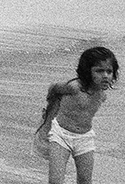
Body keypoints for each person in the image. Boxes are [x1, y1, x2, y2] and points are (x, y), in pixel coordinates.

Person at [35, 47, 118, 184]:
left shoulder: (102, 95)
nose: (105, 75)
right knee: (55, 181)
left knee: (85, 180)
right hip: (61, 135)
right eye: (99, 71)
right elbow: (54, 88)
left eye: (109, 71)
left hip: (85, 138)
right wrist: (49, 110)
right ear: (87, 71)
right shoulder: (73, 87)